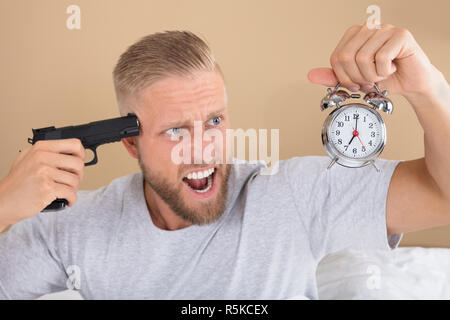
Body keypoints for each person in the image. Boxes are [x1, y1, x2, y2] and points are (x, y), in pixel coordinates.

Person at [0, 24, 449, 299]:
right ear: (132, 144)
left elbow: (441, 196)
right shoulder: (74, 228)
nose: (203, 148)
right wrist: (3, 204)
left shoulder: (291, 194)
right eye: (175, 129)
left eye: (214, 120)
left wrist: (428, 88)